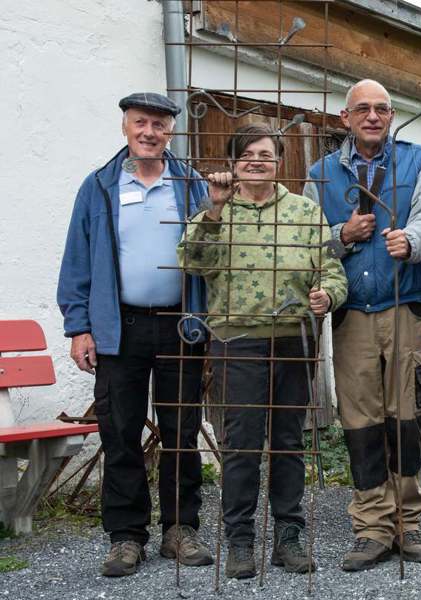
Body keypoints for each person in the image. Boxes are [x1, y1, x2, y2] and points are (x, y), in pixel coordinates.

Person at [179, 122, 347, 579]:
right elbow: (190, 262)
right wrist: (212, 212)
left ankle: (289, 538)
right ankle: (239, 540)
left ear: (279, 163)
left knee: (289, 443)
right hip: (237, 342)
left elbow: (333, 271)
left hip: (293, 340)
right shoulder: (216, 211)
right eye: (247, 153)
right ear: (233, 163)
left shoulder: (306, 212)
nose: (257, 160)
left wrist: (325, 295)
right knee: (242, 445)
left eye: (267, 154)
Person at [57, 92, 213, 577]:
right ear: (125, 126)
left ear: (171, 133)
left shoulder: (190, 185)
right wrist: (79, 326)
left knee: (181, 431)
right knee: (120, 431)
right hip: (118, 326)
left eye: (160, 125)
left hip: (180, 326)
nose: (150, 132)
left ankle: (180, 528)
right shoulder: (99, 186)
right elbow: (77, 259)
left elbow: (211, 252)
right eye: (141, 122)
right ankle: (126, 536)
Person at [305, 79, 421, 572]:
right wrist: (341, 235)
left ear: (391, 115)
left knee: (404, 413)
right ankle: (371, 525)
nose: (371, 116)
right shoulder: (321, 173)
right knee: (361, 419)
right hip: (351, 310)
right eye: (361, 109)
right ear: (345, 118)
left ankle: (408, 521)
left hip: (404, 301)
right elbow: (307, 240)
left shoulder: (419, 160)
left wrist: (411, 240)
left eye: (381, 109)